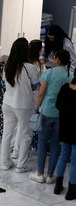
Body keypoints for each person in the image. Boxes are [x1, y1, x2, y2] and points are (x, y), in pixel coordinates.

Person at [30, 49, 72, 184]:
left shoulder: (49, 73)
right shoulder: (70, 75)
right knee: (55, 144)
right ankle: (50, 175)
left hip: (47, 111)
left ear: (58, 59)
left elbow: (41, 93)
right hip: (62, 115)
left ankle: (40, 173)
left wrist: (36, 107)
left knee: (42, 142)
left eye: (54, 57)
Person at [0, 38, 40, 173]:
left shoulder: (7, 65)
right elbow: (35, 87)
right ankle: (21, 165)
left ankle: (5, 163)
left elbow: (5, 82)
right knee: (25, 135)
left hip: (7, 103)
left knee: (7, 134)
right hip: (23, 105)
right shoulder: (30, 68)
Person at [53, 76, 76, 199]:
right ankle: (72, 190)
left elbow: (58, 105)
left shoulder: (64, 88)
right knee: (74, 161)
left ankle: (58, 186)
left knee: (63, 156)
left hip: (65, 128)